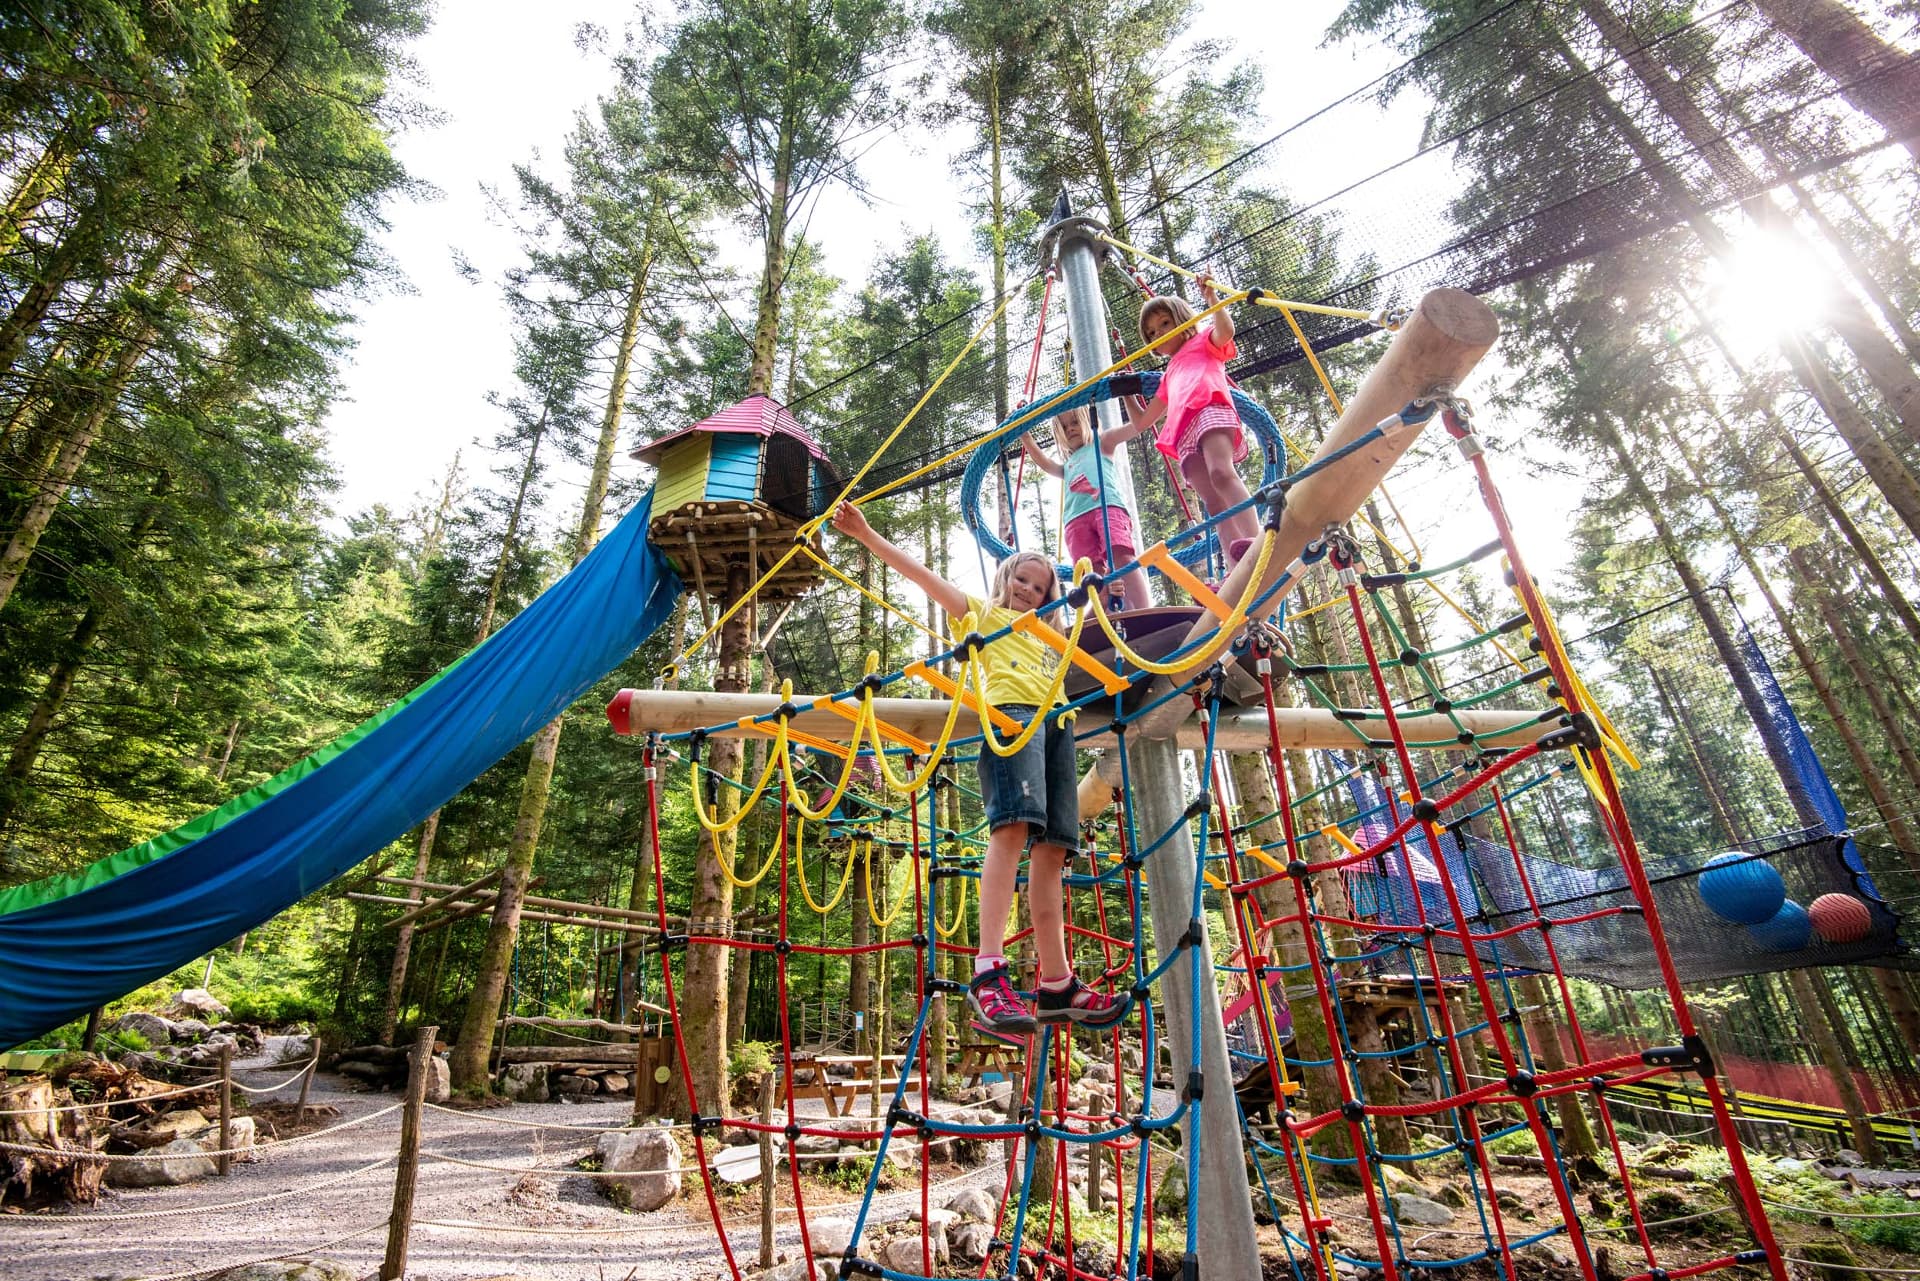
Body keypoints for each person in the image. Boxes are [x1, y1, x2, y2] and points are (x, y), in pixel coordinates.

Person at [829, 502, 1131, 1038]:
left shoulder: (1053, 639)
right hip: (1010, 719)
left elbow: (1104, 637)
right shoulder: (982, 615)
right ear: (1005, 576)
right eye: (1022, 579)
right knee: (1012, 829)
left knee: (1055, 849)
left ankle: (1056, 981)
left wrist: (1101, 596)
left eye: (1040, 589)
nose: (1028, 591)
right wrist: (866, 533)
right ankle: (988, 970)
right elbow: (922, 577)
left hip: (1058, 727)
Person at [1125, 274, 1260, 571]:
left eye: (1164, 323)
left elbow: (1225, 331)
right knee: (1212, 501)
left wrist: (1212, 299)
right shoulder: (1168, 376)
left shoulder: (1202, 341)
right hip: (1184, 431)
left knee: (1222, 474)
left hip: (1209, 408)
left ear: (1182, 320)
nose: (1158, 333)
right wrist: (1126, 393)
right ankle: (1235, 565)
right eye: (1151, 333)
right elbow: (1143, 421)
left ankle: (1256, 540)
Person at [1020, 403, 1152, 610]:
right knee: (1092, 573)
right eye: (1064, 427)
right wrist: (1025, 437)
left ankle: (1144, 609)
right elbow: (1045, 463)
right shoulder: (1067, 465)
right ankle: (1105, 613)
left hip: (1107, 508)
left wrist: (1135, 398)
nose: (1070, 429)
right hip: (1075, 521)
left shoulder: (1103, 442)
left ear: (1088, 421)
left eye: (1074, 422)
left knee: (1122, 557)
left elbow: (1137, 426)